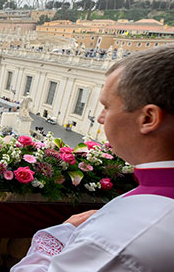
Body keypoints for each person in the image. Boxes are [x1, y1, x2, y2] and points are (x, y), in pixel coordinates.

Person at [11, 45, 174, 271]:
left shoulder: (121, 237)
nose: (100, 118)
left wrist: (59, 235)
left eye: (107, 106)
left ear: (148, 118)